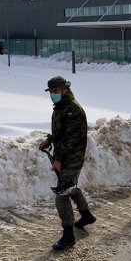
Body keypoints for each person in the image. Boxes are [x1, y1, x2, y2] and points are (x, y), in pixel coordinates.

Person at [39, 76, 96, 251]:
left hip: (71, 158)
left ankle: (68, 235)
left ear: (65, 90)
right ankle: (86, 215)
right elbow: (60, 131)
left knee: (62, 196)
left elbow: (71, 139)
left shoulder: (73, 109)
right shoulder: (61, 107)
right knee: (69, 187)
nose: (53, 95)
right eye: (51, 92)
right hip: (65, 156)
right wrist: (50, 140)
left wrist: (58, 159)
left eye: (56, 91)